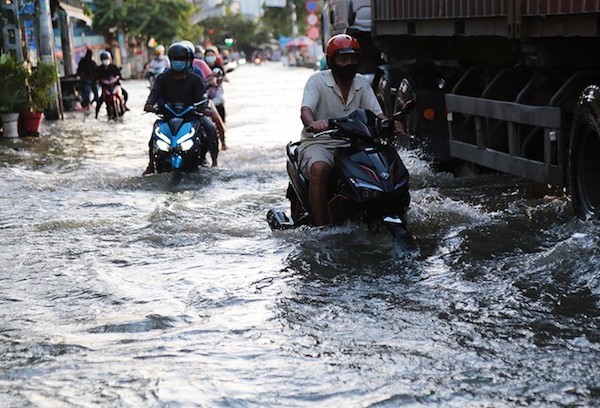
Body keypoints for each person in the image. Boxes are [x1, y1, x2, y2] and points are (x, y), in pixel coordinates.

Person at [297, 34, 404, 227]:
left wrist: (390, 123)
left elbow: (376, 113)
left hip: (356, 144)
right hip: (322, 142)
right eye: (344, 59)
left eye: (354, 58)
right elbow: (306, 110)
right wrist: (313, 123)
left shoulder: (362, 83)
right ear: (332, 61)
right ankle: (322, 227)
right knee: (320, 169)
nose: (349, 63)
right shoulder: (317, 82)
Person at [142, 42, 219, 175]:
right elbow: (154, 94)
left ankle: (214, 162)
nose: (178, 63)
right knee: (154, 135)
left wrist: (204, 108)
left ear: (188, 61)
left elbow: (202, 96)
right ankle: (150, 165)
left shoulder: (195, 78)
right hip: (168, 117)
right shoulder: (162, 77)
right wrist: (150, 105)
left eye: (181, 60)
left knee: (211, 129)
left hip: (192, 116)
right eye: (175, 60)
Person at [95, 51, 129, 119]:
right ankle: (96, 114)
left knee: (125, 94)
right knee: (99, 101)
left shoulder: (113, 67)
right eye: (104, 59)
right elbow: (96, 77)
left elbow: (119, 74)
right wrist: (99, 80)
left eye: (106, 59)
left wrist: (119, 77)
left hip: (115, 86)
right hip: (106, 87)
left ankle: (125, 105)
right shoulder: (99, 69)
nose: (105, 61)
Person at [204, 46, 228, 123]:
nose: (210, 57)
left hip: (217, 93)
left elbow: (223, 77)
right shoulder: (202, 66)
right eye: (208, 55)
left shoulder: (218, 67)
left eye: (212, 55)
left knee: (220, 107)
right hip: (204, 92)